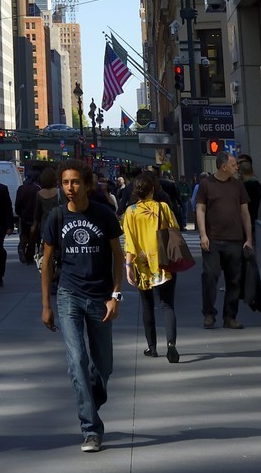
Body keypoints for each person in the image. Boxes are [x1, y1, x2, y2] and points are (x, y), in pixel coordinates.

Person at [40, 160, 125, 453]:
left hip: (101, 297)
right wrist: (46, 305)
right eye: (65, 183)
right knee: (76, 361)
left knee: (103, 367)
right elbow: (47, 263)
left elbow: (119, 258)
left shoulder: (104, 215)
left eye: (75, 182)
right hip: (69, 296)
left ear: (87, 184)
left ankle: (90, 399)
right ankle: (91, 429)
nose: (70, 189)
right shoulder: (56, 217)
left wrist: (116, 297)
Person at [122, 170, 181, 363]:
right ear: (153, 190)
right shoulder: (163, 207)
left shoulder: (130, 213)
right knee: (167, 304)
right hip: (163, 261)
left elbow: (129, 241)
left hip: (142, 263)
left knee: (147, 305)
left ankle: (152, 347)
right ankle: (171, 345)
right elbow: (175, 229)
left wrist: (128, 265)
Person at [196, 153, 253, 329]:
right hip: (213, 239)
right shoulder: (206, 185)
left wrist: (249, 238)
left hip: (235, 239)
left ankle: (230, 316)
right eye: (234, 165)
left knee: (234, 280)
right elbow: (200, 209)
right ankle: (209, 313)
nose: (237, 167)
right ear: (223, 167)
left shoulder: (238, 186)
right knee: (210, 276)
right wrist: (203, 235)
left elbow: (245, 213)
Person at [14, 167, 41, 265]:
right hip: (34, 217)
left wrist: (19, 213)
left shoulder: (21, 188)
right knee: (32, 238)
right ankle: (29, 257)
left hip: (23, 216)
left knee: (24, 235)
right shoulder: (37, 189)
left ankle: (21, 248)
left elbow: (17, 204)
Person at [236, 154, 261, 228]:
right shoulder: (244, 184)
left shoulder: (251, 185)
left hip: (247, 225)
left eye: (240, 163)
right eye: (237, 164)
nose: (237, 167)